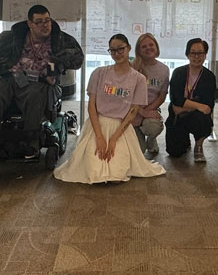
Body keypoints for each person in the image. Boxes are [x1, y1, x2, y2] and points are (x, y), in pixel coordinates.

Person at [0, 4, 84, 159]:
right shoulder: (11, 37)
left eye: (47, 20)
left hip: (39, 81)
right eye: (39, 22)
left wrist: (57, 63)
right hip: (11, 76)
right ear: (30, 24)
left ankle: (31, 142)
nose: (45, 25)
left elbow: (78, 57)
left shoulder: (60, 39)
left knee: (34, 94)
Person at [55, 33, 165, 184]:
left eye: (120, 49)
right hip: (97, 125)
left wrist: (113, 139)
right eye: (112, 50)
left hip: (120, 127)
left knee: (116, 173)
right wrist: (99, 137)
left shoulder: (138, 79)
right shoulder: (99, 73)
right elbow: (92, 107)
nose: (117, 54)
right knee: (94, 170)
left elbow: (133, 112)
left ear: (128, 49)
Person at [166, 37, 216, 161]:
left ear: (205, 55)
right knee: (174, 152)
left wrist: (186, 106)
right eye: (193, 53)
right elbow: (175, 99)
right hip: (178, 116)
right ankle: (185, 141)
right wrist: (198, 106)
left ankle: (198, 146)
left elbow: (208, 106)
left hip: (196, 117)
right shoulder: (178, 72)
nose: (196, 56)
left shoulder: (209, 77)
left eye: (200, 53)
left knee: (203, 121)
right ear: (187, 54)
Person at [131, 32, 169, 158]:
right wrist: (140, 112)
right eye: (144, 46)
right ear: (139, 51)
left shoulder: (164, 69)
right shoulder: (132, 67)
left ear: (156, 47)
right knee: (139, 152)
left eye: (151, 45)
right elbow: (126, 96)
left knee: (153, 127)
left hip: (151, 107)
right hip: (132, 109)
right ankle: (138, 134)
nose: (148, 48)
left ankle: (151, 138)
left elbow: (162, 95)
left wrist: (147, 111)